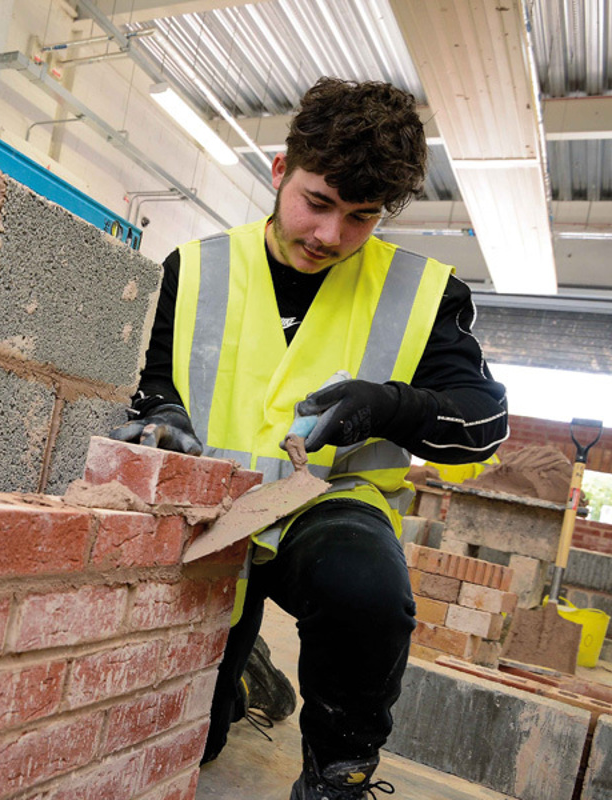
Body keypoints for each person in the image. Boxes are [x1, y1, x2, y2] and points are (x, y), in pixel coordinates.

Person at [111, 77, 508, 799]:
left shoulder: (424, 294)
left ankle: (338, 774)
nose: (329, 236)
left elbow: (483, 424)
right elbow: (156, 384)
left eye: (360, 218)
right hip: (215, 515)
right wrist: (163, 418)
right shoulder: (196, 268)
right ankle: (233, 674)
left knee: (368, 593)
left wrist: (386, 405)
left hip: (323, 509)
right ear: (279, 172)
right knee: (191, 748)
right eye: (316, 203)